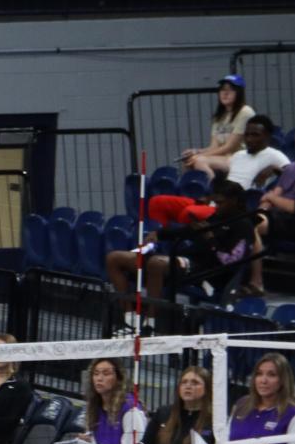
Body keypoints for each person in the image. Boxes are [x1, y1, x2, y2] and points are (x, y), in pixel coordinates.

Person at [105, 180, 258, 325]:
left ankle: (151, 321)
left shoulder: (244, 225)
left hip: (206, 271)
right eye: (215, 202)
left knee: (156, 264)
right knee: (114, 258)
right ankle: (130, 315)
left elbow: (230, 261)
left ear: (235, 201)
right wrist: (160, 234)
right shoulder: (217, 217)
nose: (217, 206)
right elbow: (187, 231)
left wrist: (211, 240)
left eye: (220, 203)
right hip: (186, 259)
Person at [225, 116, 288, 297]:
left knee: (248, 226)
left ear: (267, 137)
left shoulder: (274, 155)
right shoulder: (237, 156)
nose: (250, 139)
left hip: (251, 208)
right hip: (227, 206)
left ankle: (256, 281)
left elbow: (291, 175)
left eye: (256, 135)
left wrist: (274, 169)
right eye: (247, 135)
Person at [181, 75, 255, 177]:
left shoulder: (245, 112)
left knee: (199, 161)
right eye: (222, 89)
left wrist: (199, 156)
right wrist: (195, 152)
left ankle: (213, 190)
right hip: (223, 158)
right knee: (188, 162)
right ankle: (192, 192)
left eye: (230, 90)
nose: (225, 93)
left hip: (240, 158)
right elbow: (214, 147)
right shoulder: (219, 116)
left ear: (239, 93)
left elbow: (229, 147)